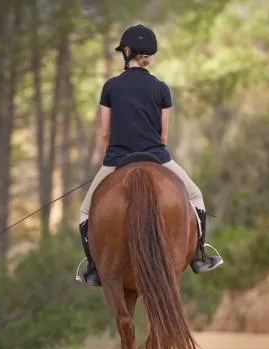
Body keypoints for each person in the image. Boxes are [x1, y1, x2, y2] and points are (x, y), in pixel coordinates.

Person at [77, 24, 223, 287]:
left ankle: (93, 267)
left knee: (86, 210)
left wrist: (112, 159)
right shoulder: (161, 88)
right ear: (149, 54)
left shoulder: (110, 87)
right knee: (196, 196)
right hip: (157, 156)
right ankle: (199, 255)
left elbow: (105, 133)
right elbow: (164, 134)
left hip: (117, 159)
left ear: (127, 51)